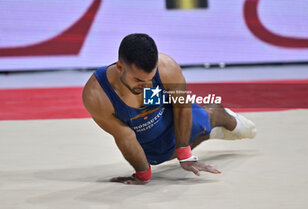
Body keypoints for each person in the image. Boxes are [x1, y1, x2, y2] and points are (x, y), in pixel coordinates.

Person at [82, 33, 257, 185]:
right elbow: (125, 136)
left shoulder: (166, 68)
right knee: (164, 150)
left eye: (150, 79)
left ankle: (228, 121)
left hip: (173, 118)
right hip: (149, 150)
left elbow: (181, 107)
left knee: (212, 114)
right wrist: (143, 175)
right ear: (120, 67)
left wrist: (185, 155)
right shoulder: (97, 94)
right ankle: (210, 133)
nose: (145, 85)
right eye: (138, 80)